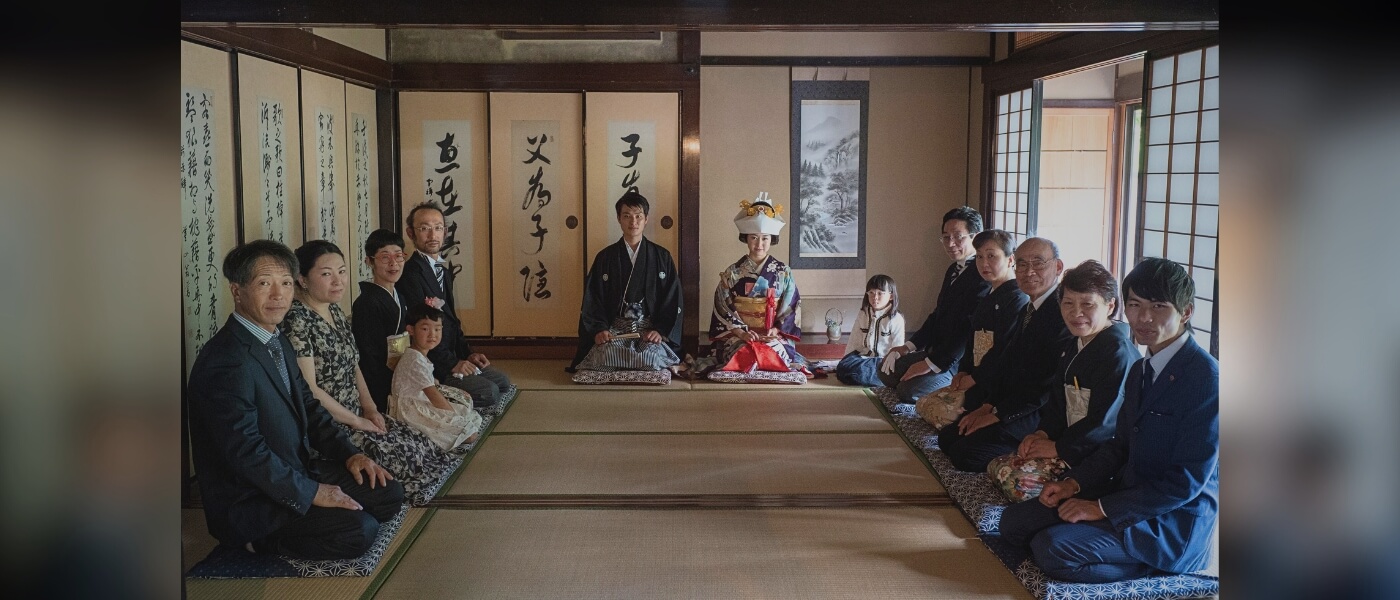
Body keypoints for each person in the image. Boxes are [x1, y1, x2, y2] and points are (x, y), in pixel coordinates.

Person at [997, 257, 1218, 584]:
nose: (1143, 317)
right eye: (1135, 304)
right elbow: (1119, 447)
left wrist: (1100, 508)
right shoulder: (1143, 368)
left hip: (1170, 521)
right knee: (1013, 523)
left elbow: (1185, 482)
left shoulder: (1206, 380)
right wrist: (1073, 484)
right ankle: (1095, 540)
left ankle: (1160, 569)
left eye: (1158, 306)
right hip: (1125, 490)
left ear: (1185, 312)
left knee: (1051, 548)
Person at [187, 239, 402, 560]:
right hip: (253, 496)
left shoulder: (274, 337)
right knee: (359, 529)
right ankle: (255, 542)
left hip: (295, 469)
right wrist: (313, 492)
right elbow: (246, 454)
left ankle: (323, 509)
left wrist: (350, 455)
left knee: (388, 493)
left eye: (286, 283)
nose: (279, 295)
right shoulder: (227, 360)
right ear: (237, 290)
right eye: (264, 284)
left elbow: (310, 407)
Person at [282, 239, 466, 506]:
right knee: (400, 462)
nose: (338, 281)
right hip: (328, 426)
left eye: (342, 271)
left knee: (420, 442)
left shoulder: (333, 309)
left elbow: (353, 363)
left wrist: (370, 409)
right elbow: (310, 389)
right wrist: (357, 422)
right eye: (326, 274)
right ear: (302, 279)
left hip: (357, 411)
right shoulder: (297, 320)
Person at [987, 260, 1140, 502]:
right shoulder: (1076, 342)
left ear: (1110, 305)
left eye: (1087, 304)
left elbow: (1105, 424)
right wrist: (1041, 433)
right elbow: (1057, 401)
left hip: (1096, 454)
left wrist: (1058, 448)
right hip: (1067, 440)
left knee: (1013, 479)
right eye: (1068, 303)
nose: (1076, 313)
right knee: (996, 465)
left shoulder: (1117, 353)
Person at [936, 237, 1073, 473]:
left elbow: (1043, 386)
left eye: (1038, 263)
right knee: (948, 438)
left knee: (964, 454)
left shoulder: (1063, 313)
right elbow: (1005, 361)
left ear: (1058, 267)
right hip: (1010, 401)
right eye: (1022, 264)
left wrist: (998, 415)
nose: (1029, 271)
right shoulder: (1030, 307)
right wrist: (987, 406)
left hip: (1036, 412)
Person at [397, 201, 512, 409]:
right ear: (411, 233)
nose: (433, 235)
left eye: (438, 228)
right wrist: (452, 364)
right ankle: (443, 396)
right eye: (424, 228)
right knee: (489, 392)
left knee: (502, 382)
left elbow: (451, 321)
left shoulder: (441, 268)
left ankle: (460, 396)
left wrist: (468, 354)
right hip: (435, 363)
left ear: (446, 232)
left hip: (453, 353)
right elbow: (422, 334)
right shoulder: (411, 274)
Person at [915, 229, 1028, 428]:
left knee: (938, 411)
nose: (984, 263)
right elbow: (972, 339)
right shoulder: (989, 293)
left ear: (1010, 260)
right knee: (924, 405)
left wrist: (975, 378)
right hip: (974, 376)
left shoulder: (1017, 298)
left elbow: (1003, 350)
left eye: (992, 256)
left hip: (993, 383)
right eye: (979, 257)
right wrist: (963, 371)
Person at [878, 207, 991, 403]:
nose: (951, 244)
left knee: (907, 392)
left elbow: (966, 332)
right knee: (885, 371)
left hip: (955, 361)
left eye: (958, 237)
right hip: (935, 351)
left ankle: (948, 385)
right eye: (946, 237)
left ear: (976, 236)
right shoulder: (953, 269)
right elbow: (937, 315)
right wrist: (907, 347)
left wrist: (930, 364)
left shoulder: (983, 276)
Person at [569, 189, 683, 373]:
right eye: (627, 216)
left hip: (648, 331)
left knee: (652, 357)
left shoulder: (662, 256)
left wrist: (660, 331)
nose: (633, 222)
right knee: (604, 355)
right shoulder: (605, 257)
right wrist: (600, 329)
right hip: (615, 330)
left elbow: (672, 299)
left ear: (646, 219)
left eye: (638, 216)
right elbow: (593, 298)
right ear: (619, 219)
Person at [708, 192, 809, 375]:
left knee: (778, 351)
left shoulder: (783, 272)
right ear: (746, 238)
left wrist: (776, 330)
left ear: (772, 239)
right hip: (740, 336)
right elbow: (722, 308)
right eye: (754, 237)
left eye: (765, 238)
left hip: (772, 334)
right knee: (743, 353)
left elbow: (791, 307)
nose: (759, 244)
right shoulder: (733, 272)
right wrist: (742, 333)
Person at [389, 304, 484, 452]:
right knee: (470, 433)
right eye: (425, 329)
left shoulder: (418, 354)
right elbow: (433, 395)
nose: (432, 335)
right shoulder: (414, 360)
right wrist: (453, 416)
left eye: (437, 329)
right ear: (411, 330)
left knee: (466, 404)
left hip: (420, 399)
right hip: (411, 411)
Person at [352, 229, 409, 413]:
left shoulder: (399, 295)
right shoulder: (366, 303)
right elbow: (369, 357)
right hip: (381, 384)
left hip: (402, 373)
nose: (393, 263)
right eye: (385, 257)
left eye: (398, 256)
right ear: (369, 261)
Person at [835, 274, 905, 386]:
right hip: (863, 358)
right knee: (843, 367)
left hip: (882, 361)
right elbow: (854, 340)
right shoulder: (863, 313)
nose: (875, 297)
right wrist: (846, 359)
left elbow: (898, 347)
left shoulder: (896, 319)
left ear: (891, 296)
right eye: (871, 293)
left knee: (862, 373)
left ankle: (869, 377)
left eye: (880, 293)